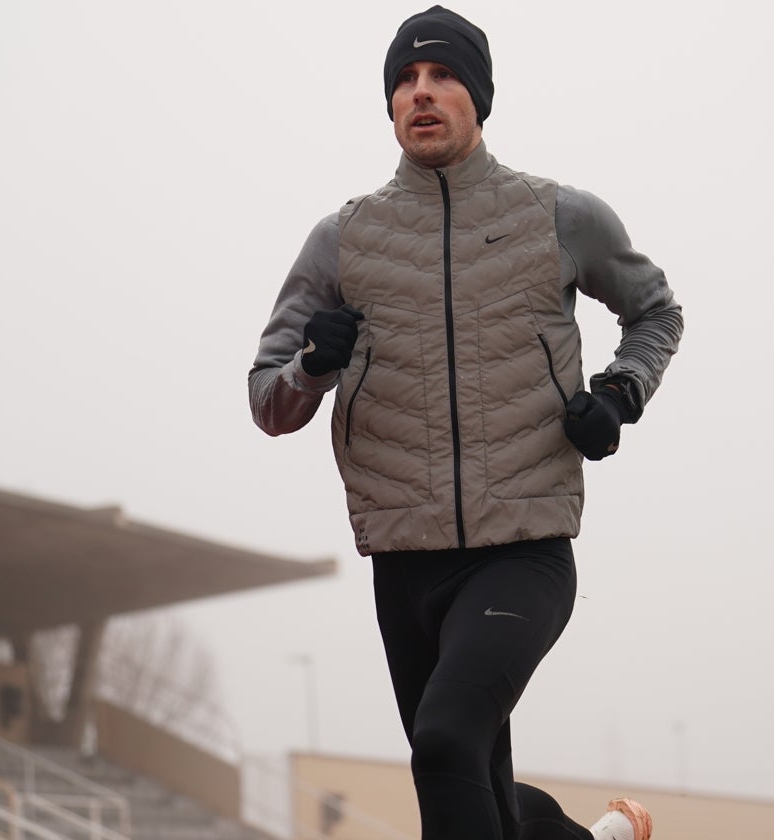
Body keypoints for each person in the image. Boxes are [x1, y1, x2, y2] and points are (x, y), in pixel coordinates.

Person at [248, 7, 683, 839]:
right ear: (388, 105)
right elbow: (269, 401)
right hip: (406, 568)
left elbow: (656, 312)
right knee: (470, 779)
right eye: (405, 82)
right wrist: (313, 362)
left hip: (522, 549)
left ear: (479, 98)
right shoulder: (343, 240)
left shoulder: (558, 215)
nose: (422, 93)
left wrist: (621, 392)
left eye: (443, 76)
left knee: (445, 743)